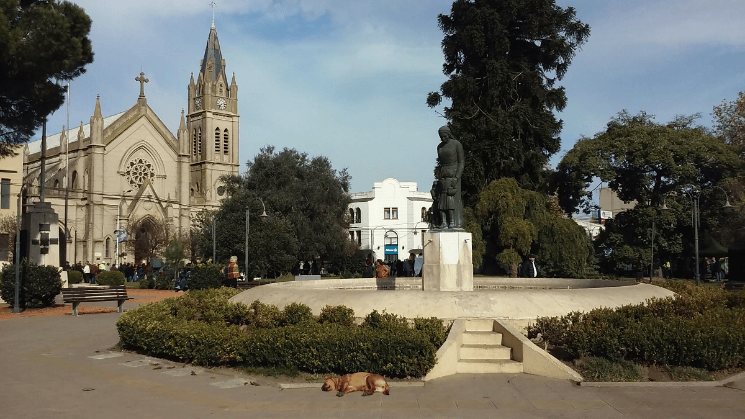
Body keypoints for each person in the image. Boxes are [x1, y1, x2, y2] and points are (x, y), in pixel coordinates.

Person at [434, 125, 465, 229]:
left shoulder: (456, 144)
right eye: (441, 136)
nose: (443, 138)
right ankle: (444, 222)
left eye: (445, 136)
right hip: (443, 175)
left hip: (454, 175)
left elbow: (461, 162)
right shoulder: (439, 147)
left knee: (452, 200)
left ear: (449, 134)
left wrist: (457, 177)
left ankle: (454, 222)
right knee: (441, 201)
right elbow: (440, 163)